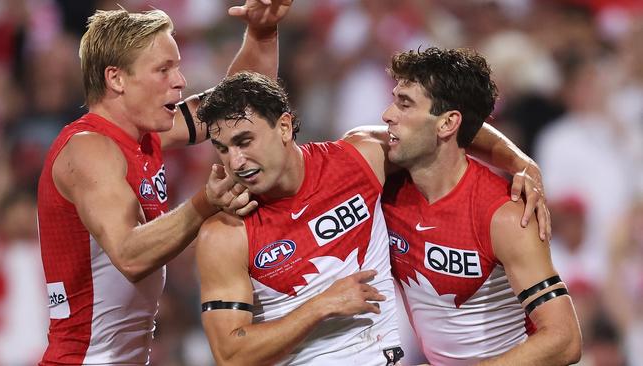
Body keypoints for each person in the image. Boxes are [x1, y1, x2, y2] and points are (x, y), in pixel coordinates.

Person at [193, 71, 548, 365]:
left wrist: (521, 164)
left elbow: (443, 127)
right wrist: (321, 306)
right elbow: (230, 354)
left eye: (244, 141)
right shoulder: (226, 233)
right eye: (223, 149)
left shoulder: (359, 159)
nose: (235, 161)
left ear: (284, 127)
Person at [36, 1, 292, 364]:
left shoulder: (145, 135)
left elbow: (240, 101)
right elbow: (129, 254)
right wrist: (206, 202)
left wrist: (263, 33)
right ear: (116, 79)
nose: (180, 80)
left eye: (178, 67)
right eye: (163, 69)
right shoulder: (88, 149)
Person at [378, 47, 582, 365]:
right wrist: (519, 159)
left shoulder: (504, 215)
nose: (388, 115)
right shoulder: (384, 182)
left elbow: (564, 340)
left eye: (405, 104)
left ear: (447, 124)